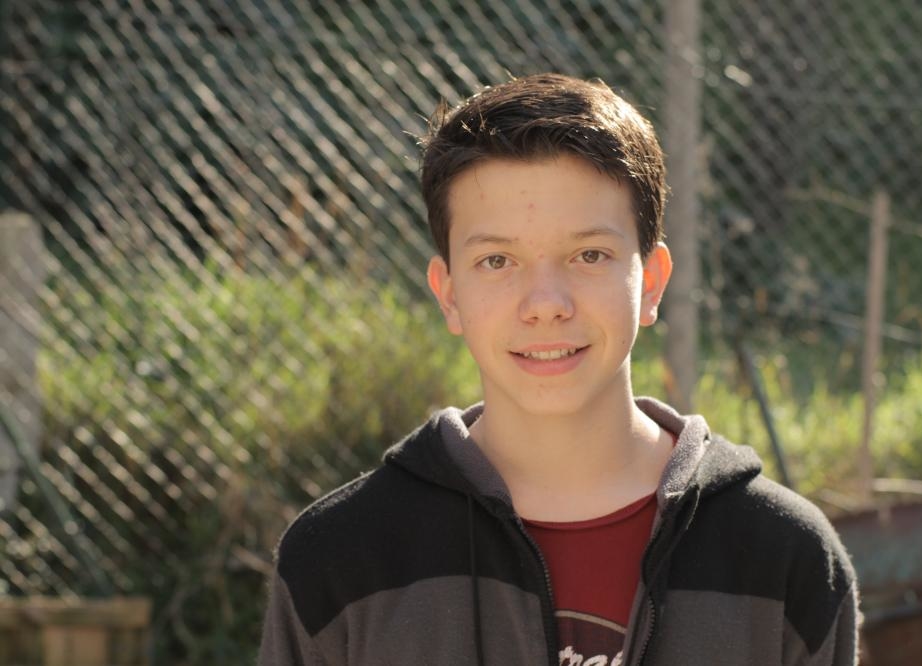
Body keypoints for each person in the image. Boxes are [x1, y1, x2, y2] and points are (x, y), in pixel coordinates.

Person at [258, 73, 858, 665]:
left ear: (651, 283)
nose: (546, 304)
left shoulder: (786, 559)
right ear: (449, 294)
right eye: (497, 261)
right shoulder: (338, 561)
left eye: (589, 255)